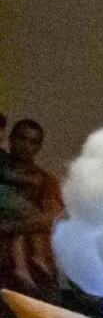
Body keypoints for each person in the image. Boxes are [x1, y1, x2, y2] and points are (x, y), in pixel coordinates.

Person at [0, 119, 63, 297]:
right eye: (22, 138)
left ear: (38, 147)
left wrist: (10, 227)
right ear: (11, 139)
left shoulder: (46, 181)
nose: (26, 146)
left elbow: (50, 218)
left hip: (33, 270)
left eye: (33, 142)